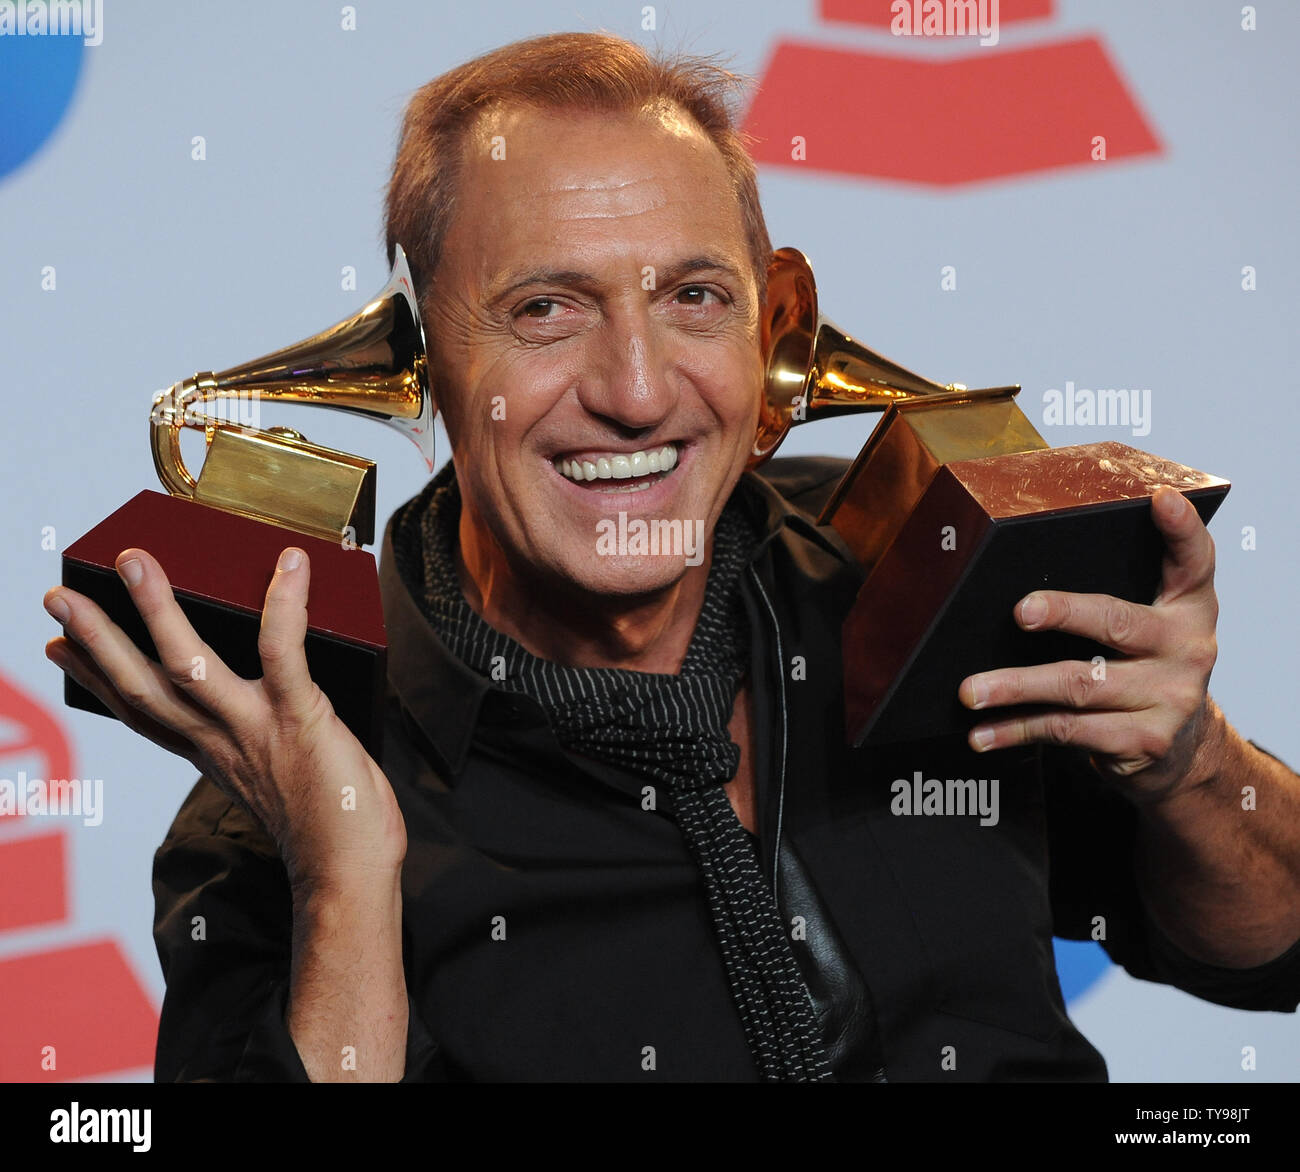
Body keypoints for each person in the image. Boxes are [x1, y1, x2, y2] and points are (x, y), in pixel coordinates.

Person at [43, 32, 1300, 1082]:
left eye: (693, 297)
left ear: (772, 321)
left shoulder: (922, 575)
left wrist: (1192, 763)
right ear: (423, 363)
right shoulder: (288, 787)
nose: (638, 392)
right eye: (546, 308)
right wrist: (348, 876)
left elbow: (1270, 952)